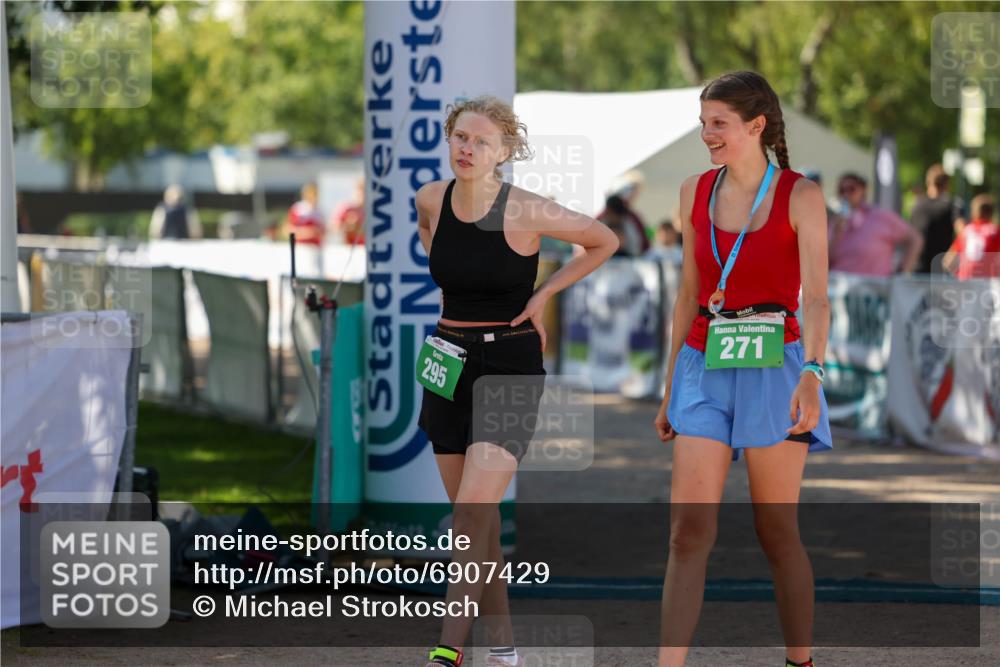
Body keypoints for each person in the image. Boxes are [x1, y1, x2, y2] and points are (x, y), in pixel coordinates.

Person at [415, 95, 618, 667]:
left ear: (505, 151)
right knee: (474, 522)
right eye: (459, 136)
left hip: (509, 365)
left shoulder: (528, 208)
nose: (466, 148)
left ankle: (447, 650)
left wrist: (545, 295)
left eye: (481, 140)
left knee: (471, 517)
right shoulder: (431, 198)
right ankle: (503, 650)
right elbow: (431, 233)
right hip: (446, 362)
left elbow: (604, 239)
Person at [653, 71, 833, 667]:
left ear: (756, 126)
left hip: (776, 367)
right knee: (687, 534)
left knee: (775, 532)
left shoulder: (801, 196)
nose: (707, 135)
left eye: (719, 124)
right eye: (703, 123)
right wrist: (667, 386)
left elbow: (817, 298)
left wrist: (813, 370)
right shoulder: (692, 192)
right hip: (703, 363)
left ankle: (799, 660)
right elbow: (686, 294)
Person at [828, 172, 923, 277]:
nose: (846, 194)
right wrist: (836, 233)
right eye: (841, 190)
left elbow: (915, 239)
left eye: (851, 189)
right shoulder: (834, 221)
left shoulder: (880, 216)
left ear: (863, 191)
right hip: (839, 285)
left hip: (874, 288)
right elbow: (825, 259)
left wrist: (903, 271)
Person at [911, 164, 964, 273]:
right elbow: (963, 233)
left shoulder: (916, 207)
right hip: (941, 269)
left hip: (918, 268)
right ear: (947, 185)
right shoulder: (953, 205)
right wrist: (953, 254)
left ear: (928, 182)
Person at [943, 193, 999, 279]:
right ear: (991, 213)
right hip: (987, 284)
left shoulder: (966, 231)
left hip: (965, 283)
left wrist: (961, 274)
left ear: (974, 213)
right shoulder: (995, 231)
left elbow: (948, 261)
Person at [599, 170, 651, 255]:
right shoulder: (601, 219)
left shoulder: (634, 219)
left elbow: (643, 246)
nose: (633, 194)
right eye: (631, 189)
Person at [330, 178, 365, 244]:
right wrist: (348, 226)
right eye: (361, 190)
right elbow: (333, 228)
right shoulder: (346, 207)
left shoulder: (372, 211)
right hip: (348, 248)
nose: (363, 194)